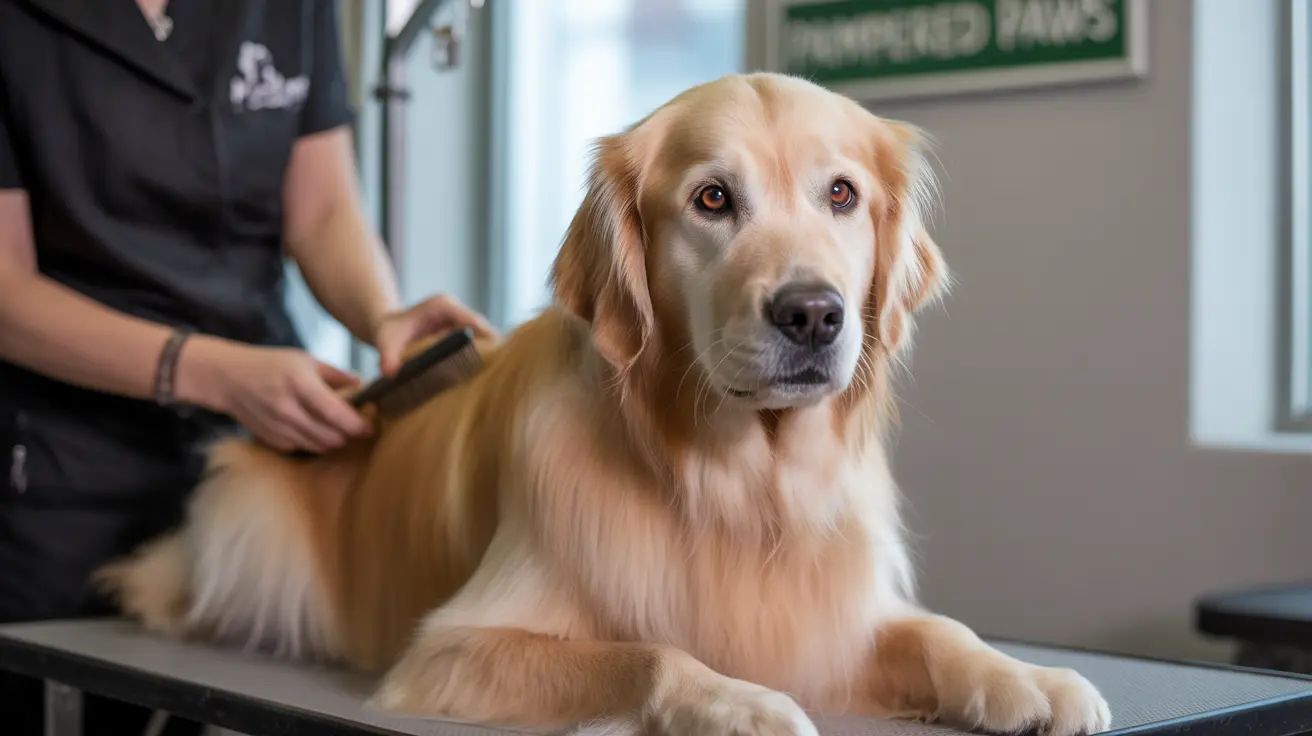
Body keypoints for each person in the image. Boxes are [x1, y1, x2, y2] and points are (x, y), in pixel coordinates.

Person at [0, 1, 494, 733]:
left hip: (262, 464)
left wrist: (381, 315)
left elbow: (323, 210)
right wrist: (212, 371)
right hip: (64, 470)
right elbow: (6, 294)